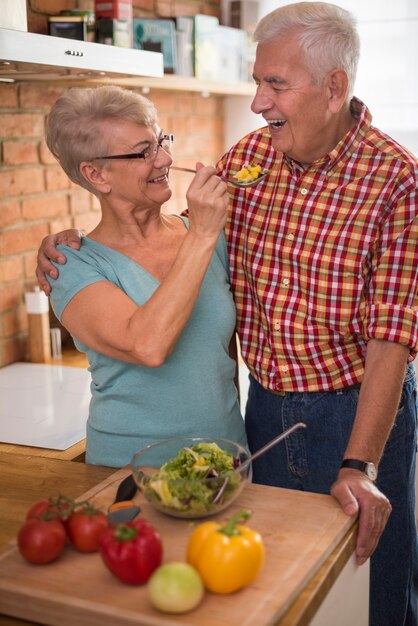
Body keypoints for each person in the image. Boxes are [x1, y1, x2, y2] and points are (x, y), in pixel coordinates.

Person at [36, 4, 417, 625]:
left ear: (334, 87)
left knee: (372, 590)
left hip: (348, 414)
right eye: (256, 81)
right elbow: (151, 326)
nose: (258, 102)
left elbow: (393, 336)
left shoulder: (397, 180)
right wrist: (57, 244)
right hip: (255, 420)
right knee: (261, 595)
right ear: (94, 174)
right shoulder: (250, 163)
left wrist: (360, 460)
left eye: (275, 85)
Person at [37, 84, 247, 469]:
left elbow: (222, 357)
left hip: (227, 461)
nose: (164, 158)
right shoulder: (72, 266)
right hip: (131, 472)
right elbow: (148, 346)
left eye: (160, 141)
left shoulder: (205, 236)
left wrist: (201, 232)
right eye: (142, 152)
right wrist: (202, 233)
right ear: (96, 174)